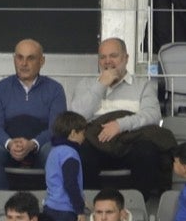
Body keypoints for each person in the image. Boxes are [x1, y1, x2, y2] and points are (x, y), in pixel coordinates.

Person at [70, 36, 169, 200]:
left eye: (113, 56)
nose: (107, 61)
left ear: (126, 58)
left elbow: (153, 115)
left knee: (148, 151)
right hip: (96, 144)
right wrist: (100, 85)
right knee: (81, 152)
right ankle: (93, 207)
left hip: (129, 143)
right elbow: (76, 116)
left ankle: (138, 206)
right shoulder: (86, 84)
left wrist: (120, 124)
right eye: (103, 57)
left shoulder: (143, 85)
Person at [0, 38, 67, 194]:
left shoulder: (55, 89)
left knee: (55, 152)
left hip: (41, 146)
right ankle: (1, 204)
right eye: (19, 57)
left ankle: (52, 202)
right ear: (14, 59)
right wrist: (10, 144)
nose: (23, 63)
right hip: (7, 147)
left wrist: (33, 144)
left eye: (30, 58)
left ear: (42, 61)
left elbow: (56, 129)